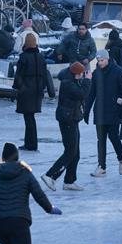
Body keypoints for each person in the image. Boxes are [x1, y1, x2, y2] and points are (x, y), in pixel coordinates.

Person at [42, 62, 90, 191]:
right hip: (67, 119)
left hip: (72, 118)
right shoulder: (68, 83)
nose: (83, 76)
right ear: (76, 74)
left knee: (76, 153)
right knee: (70, 151)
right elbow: (82, 94)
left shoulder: (71, 79)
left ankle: (69, 181)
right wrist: (87, 81)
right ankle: (50, 175)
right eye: (82, 74)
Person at [84, 49, 122, 177]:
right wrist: (86, 111)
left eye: (102, 60)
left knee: (114, 136)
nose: (100, 63)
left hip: (114, 110)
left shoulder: (118, 71)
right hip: (99, 110)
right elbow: (91, 93)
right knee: (101, 139)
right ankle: (102, 166)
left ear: (107, 59)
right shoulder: (96, 73)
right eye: (98, 61)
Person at [13, 33, 55, 151]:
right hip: (37, 91)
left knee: (28, 118)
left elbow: (19, 75)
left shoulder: (24, 57)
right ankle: (32, 143)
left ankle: (30, 144)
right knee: (31, 117)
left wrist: (17, 88)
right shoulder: (41, 57)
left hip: (26, 91)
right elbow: (44, 74)